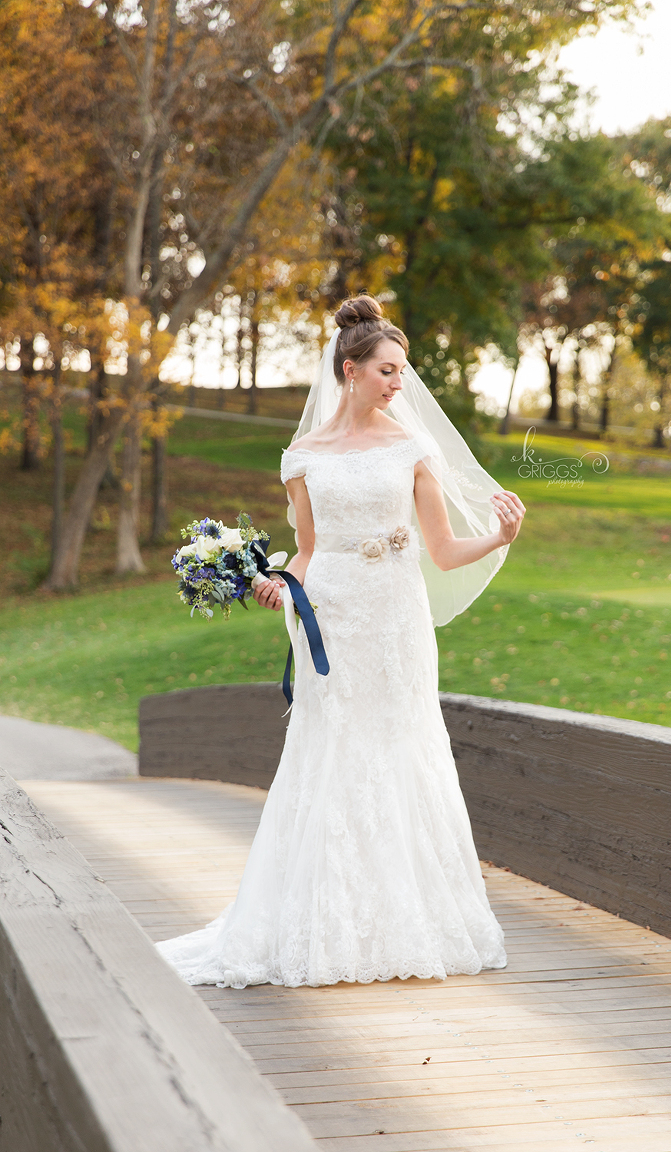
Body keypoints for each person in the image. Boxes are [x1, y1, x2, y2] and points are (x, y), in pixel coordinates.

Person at [157, 296, 525, 988]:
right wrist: (276, 585)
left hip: (395, 619)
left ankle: (404, 922)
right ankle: (321, 920)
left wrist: (499, 537)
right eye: (387, 370)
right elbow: (306, 550)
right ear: (350, 371)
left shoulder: (412, 448)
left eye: (401, 372)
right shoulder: (302, 457)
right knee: (329, 750)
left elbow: (442, 552)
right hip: (330, 614)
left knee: (399, 743)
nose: (398, 383)